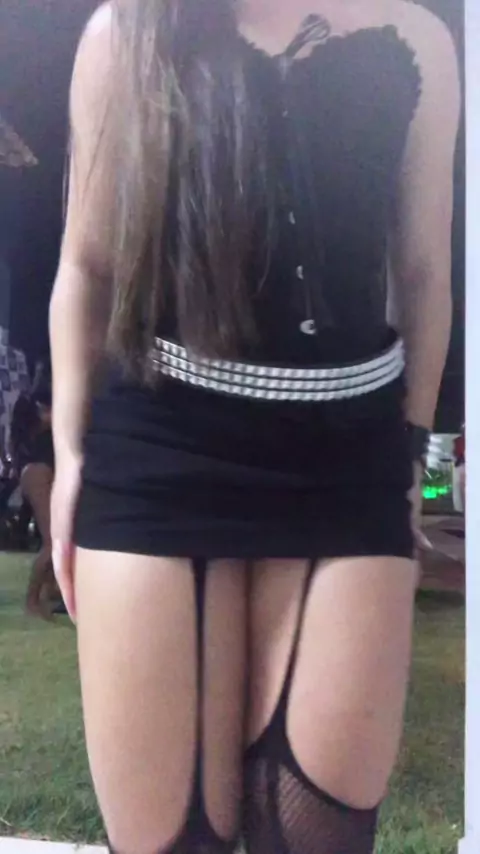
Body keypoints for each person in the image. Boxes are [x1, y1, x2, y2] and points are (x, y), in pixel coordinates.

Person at [49, 2, 460, 852]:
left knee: (310, 834)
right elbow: (86, 265)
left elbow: (424, 273)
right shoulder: (128, 32)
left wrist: (412, 457)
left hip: (348, 462)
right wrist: (68, 455)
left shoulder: (419, 39)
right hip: (159, 449)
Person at [10, 390, 56, 616]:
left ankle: (49, 591)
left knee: (54, 539)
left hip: (37, 470)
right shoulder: (36, 423)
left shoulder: (28, 433)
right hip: (37, 472)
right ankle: (32, 601)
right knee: (52, 541)